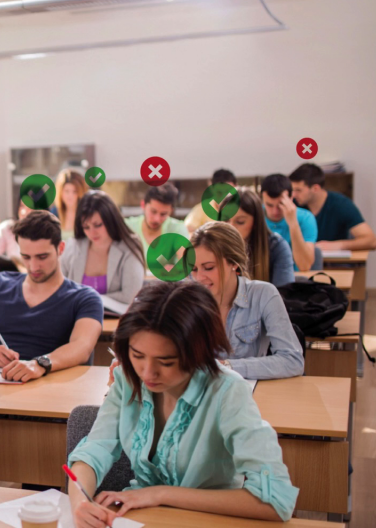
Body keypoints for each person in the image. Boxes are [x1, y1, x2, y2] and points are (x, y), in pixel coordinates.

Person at [68, 281, 298, 528]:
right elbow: (94, 452)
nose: (147, 373)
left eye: (165, 362)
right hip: (143, 519)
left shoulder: (228, 392)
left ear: (198, 351)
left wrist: (160, 494)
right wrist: (80, 503)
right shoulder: (127, 379)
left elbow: (276, 502)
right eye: (137, 355)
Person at [0, 211, 103, 382]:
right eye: (26, 257)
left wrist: (40, 364)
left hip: (50, 390)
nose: (33, 266)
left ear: (61, 249)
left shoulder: (85, 299)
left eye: (42, 257)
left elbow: (82, 348)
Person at [190, 222, 304, 380]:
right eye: (193, 269)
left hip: (250, 395)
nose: (199, 278)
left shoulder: (264, 294)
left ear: (233, 263)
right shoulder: (187, 298)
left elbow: (293, 360)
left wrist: (227, 367)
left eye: (209, 267)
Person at [60, 191, 146, 304]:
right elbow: (59, 291)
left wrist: (88, 301)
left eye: (98, 225)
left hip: (117, 320)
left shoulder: (130, 247)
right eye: (86, 227)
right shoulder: (73, 246)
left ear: (111, 220)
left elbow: (130, 296)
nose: (92, 232)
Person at [289, 163, 376, 251]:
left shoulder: (341, 204)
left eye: (298, 190)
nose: (293, 195)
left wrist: (339, 245)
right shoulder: (293, 205)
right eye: (292, 190)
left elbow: (371, 241)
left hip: (333, 262)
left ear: (315, 188)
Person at [228, 189, 295, 287]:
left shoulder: (276, 247)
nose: (231, 227)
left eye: (240, 222)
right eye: (225, 220)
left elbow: (284, 296)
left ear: (255, 222)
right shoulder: (212, 246)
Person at [261, 173, 316, 271]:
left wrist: (293, 223)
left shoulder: (306, 218)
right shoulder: (255, 215)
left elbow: (304, 266)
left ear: (291, 198)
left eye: (280, 205)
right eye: (269, 205)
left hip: (294, 280)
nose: (275, 211)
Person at [124, 183, 188, 252]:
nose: (157, 219)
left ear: (171, 212)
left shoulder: (177, 228)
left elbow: (186, 259)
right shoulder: (127, 227)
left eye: (163, 214)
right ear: (143, 205)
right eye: (153, 211)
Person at [0, 189, 37, 271]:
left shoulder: (48, 232)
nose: (24, 212)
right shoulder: (7, 228)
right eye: (22, 206)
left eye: (30, 207)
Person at [184, 169, 237, 234]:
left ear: (236, 187)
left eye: (229, 192)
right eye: (220, 193)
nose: (225, 197)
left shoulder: (242, 207)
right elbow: (186, 231)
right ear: (212, 189)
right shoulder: (201, 209)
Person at [50, 168, 88, 241]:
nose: (70, 196)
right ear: (60, 192)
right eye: (66, 191)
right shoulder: (54, 214)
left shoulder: (86, 213)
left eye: (74, 191)